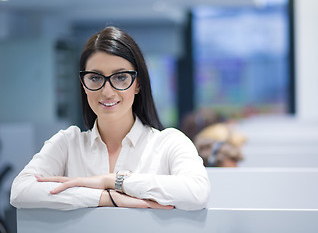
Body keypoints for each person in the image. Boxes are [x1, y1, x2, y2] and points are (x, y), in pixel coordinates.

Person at [10, 26, 210, 211]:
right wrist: (107, 198)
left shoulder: (169, 143)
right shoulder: (68, 143)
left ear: (138, 84)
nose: (107, 91)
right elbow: (20, 191)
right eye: (95, 78)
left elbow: (197, 192)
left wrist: (113, 181)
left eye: (120, 77)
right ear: (83, 83)